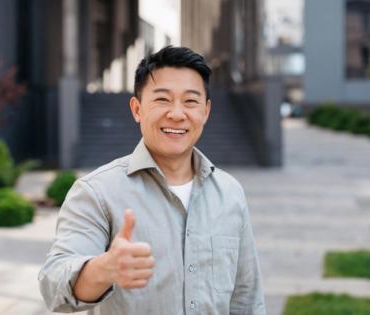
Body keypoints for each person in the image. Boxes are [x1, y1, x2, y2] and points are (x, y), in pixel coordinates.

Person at [38, 46, 266, 315]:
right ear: (137, 109)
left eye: (190, 101)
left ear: (205, 111)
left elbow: (246, 299)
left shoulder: (230, 192)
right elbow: (53, 287)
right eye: (162, 100)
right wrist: (104, 268)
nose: (177, 114)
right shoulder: (97, 192)